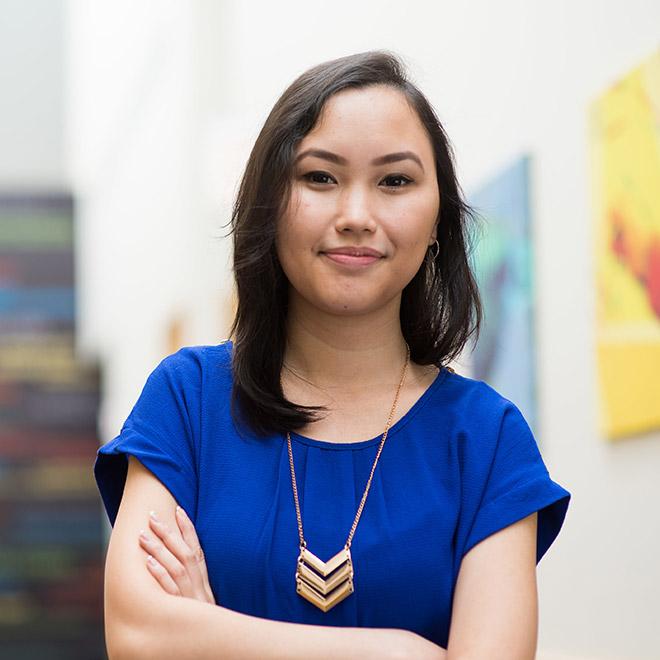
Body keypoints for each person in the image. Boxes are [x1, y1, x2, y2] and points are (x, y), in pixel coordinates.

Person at [94, 50, 571, 659]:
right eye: (320, 177)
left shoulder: (486, 437)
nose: (356, 216)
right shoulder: (189, 400)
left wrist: (210, 636)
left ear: (437, 222)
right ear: (270, 204)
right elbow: (139, 636)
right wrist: (399, 651)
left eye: (394, 181)